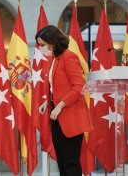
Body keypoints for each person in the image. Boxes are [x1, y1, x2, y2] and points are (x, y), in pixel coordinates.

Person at [36, 25, 92, 176]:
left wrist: (59, 106)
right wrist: (48, 102)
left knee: (70, 164)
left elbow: (79, 86)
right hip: (57, 116)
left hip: (71, 116)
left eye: (42, 44)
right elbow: (58, 87)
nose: (40, 48)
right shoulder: (55, 59)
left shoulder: (69, 56)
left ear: (52, 41)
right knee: (62, 163)